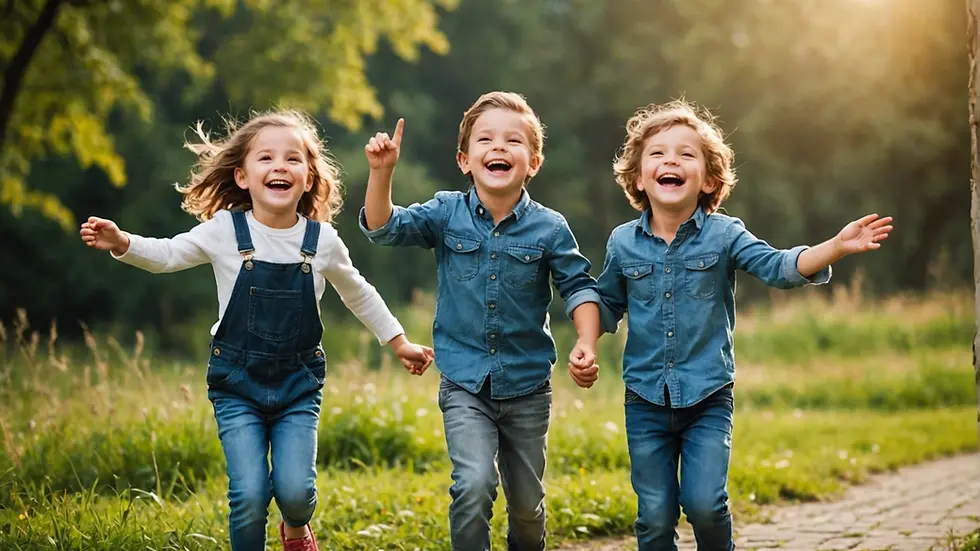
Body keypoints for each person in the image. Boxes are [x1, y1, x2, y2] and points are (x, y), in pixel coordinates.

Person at [79, 108, 434, 551]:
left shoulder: (321, 241)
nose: (279, 166)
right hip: (236, 385)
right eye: (266, 158)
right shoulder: (225, 231)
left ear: (308, 178)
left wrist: (399, 341)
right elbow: (168, 254)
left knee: (296, 495)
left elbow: (358, 293)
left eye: (292, 159)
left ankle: (296, 526)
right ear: (242, 176)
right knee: (248, 496)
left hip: (297, 385)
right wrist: (123, 243)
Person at [576, 99, 892, 551]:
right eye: (658, 153)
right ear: (639, 177)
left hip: (708, 396)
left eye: (686, 154)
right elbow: (606, 304)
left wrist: (836, 247)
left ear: (708, 179)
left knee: (705, 504)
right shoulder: (623, 242)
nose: (671, 161)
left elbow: (779, 267)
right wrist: (585, 343)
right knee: (654, 515)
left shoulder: (725, 234)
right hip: (645, 399)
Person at [359, 91, 601, 551]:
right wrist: (382, 172)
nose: (498, 147)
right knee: (473, 484)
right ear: (464, 160)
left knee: (527, 506)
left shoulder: (550, 228)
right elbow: (384, 228)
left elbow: (580, 288)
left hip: (528, 386)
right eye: (485, 139)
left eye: (513, 140)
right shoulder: (446, 213)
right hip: (465, 383)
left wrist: (586, 342)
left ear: (533, 162)